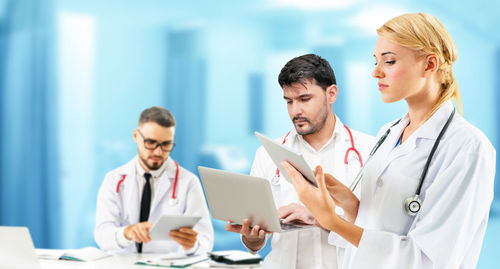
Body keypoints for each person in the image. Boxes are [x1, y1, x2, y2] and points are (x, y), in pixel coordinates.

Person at [282, 13, 496, 269]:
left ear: (429, 65)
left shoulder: (467, 148)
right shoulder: (389, 132)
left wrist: (332, 222)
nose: (376, 72)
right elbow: (381, 225)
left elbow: (429, 260)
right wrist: (348, 202)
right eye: (375, 61)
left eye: (389, 61)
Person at [226, 54, 374, 268]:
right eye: (289, 101)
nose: (295, 111)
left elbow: (376, 234)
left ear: (331, 94)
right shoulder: (266, 154)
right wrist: (252, 237)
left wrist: (321, 219)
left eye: (304, 99)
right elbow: (256, 242)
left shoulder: (369, 151)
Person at [95, 106, 214, 254]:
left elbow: (206, 240)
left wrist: (193, 245)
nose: (158, 152)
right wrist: (127, 233)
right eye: (151, 142)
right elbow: (102, 235)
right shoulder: (114, 180)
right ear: (136, 136)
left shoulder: (188, 182)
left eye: (166, 144)